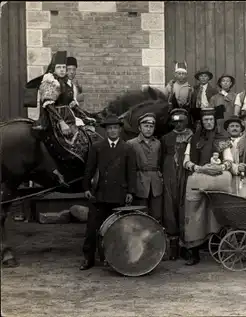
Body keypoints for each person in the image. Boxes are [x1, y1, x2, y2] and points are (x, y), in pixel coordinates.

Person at [80, 114, 135, 270]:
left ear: (119, 130)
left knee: (117, 229)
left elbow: (131, 172)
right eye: (109, 128)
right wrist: (86, 188)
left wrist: (130, 191)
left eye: (115, 128)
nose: (112, 131)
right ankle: (88, 258)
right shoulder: (97, 147)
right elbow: (89, 170)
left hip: (119, 195)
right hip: (99, 195)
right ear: (105, 130)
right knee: (92, 228)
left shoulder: (127, 148)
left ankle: (115, 259)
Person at [182, 108, 234, 265]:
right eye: (206, 120)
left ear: (215, 120)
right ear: (202, 122)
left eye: (211, 119)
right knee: (193, 212)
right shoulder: (195, 138)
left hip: (217, 177)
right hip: (199, 175)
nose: (209, 122)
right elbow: (186, 161)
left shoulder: (222, 137)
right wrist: (199, 168)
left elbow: (229, 160)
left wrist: (221, 167)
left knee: (217, 211)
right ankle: (194, 251)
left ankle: (219, 248)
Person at [32, 51, 94, 136]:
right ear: (54, 69)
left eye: (64, 67)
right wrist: (61, 122)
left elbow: (72, 104)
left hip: (68, 120)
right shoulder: (50, 81)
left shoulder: (66, 83)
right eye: (59, 67)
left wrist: (85, 117)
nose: (62, 70)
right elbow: (48, 105)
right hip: (52, 121)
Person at [161, 108, 193, 261]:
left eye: (181, 121)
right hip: (170, 176)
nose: (179, 125)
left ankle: (187, 246)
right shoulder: (166, 138)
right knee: (169, 208)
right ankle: (173, 246)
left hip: (186, 175)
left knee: (185, 207)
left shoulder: (193, 136)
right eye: (176, 122)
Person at [127, 113, 163, 223]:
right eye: (146, 126)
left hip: (156, 184)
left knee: (157, 214)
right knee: (141, 214)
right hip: (140, 182)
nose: (148, 129)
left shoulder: (158, 143)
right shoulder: (131, 144)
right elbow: (128, 167)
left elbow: (160, 162)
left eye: (151, 126)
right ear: (139, 127)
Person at [224, 115, 245, 194]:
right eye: (232, 126)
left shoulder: (245, 142)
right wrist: (236, 168)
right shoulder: (223, 143)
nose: (234, 128)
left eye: (237, 126)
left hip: (243, 177)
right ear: (227, 129)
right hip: (228, 176)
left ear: (241, 129)